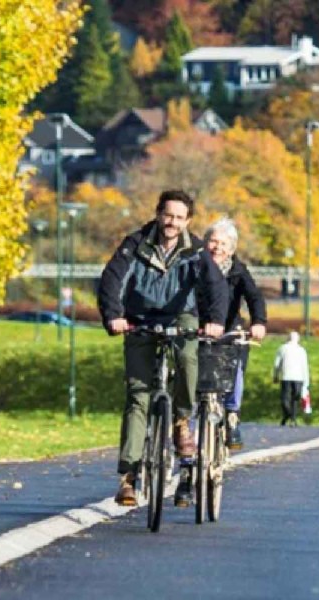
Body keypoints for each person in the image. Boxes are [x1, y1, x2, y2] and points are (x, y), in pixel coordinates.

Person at [97, 190, 228, 508]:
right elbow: (112, 279)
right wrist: (114, 316)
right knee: (138, 396)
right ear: (157, 214)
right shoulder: (134, 244)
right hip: (139, 319)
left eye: (179, 218)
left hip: (181, 318)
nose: (172, 222)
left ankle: (181, 420)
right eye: (167, 215)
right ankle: (129, 477)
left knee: (187, 357)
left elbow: (215, 287)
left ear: (188, 222)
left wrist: (214, 321)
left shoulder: (196, 251)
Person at [204, 217, 267, 450]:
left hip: (230, 331)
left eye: (223, 244)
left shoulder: (238, 271)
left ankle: (231, 414)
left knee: (235, 368)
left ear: (231, 249)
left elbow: (254, 297)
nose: (217, 248)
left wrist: (258, 322)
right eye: (213, 241)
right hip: (200, 330)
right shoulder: (194, 266)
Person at [272, 332, 309, 427]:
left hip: (287, 377)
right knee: (294, 399)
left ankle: (289, 415)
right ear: (298, 339)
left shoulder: (283, 348)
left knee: (285, 398)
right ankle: (291, 417)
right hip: (297, 378)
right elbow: (305, 366)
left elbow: (277, 364)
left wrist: (275, 375)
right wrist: (306, 381)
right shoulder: (300, 350)